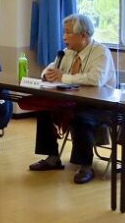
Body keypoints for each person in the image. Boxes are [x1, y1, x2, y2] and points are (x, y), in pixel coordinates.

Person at [27, 13, 115, 184]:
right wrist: (47, 75)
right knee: (44, 111)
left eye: (68, 32)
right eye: (64, 32)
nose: (64, 37)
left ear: (83, 35)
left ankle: (85, 166)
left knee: (81, 118)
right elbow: (49, 69)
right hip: (74, 101)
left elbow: (95, 79)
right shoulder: (67, 53)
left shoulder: (101, 52)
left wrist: (63, 77)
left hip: (99, 105)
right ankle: (52, 158)